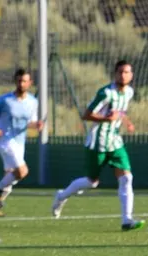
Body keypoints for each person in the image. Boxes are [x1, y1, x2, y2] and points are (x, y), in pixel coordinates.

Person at [52, 60, 144, 231]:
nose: (123, 75)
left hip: (115, 142)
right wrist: (106, 119)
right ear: (115, 74)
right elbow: (86, 115)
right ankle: (61, 196)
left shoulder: (129, 92)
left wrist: (127, 121)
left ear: (131, 75)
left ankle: (126, 219)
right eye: (120, 72)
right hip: (98, 142)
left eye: (127, 72)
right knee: (91, 182)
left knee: (126, 178)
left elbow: (120, 111)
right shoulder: (106, 93)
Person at [0, 68, 44, 217]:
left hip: (19, 141)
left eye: (24, 81)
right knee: (22, 171)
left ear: (29, 83)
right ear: (15, 81)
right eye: (19, 80)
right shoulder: (5, 100)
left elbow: (30, 122)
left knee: (10, 175)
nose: (21, 84)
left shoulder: (32, 102)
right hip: (5, 140)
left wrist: (36, 125)